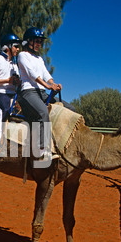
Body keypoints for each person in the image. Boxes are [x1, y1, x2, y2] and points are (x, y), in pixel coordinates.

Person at [17, 27, 76, 159]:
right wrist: (48, 86)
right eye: (36, 41)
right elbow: (32, 74)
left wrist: (53, 83)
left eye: (40, 42)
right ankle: (42, 150)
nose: (39, 44)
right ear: (28, 41)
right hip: (28, 92)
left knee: (71, 109)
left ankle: (65, 144)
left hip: (42, 92)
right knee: (43, 112)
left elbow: (45, 73)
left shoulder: (39, 59)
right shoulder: (22, 55)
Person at [0, 33, 21, 151]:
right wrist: (7, 80)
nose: (18, 49)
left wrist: (17, 81)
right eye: (16, 46)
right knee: (3, 109)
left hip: (13, 94)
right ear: (8, 47)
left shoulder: (14, 65)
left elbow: (16, 82)